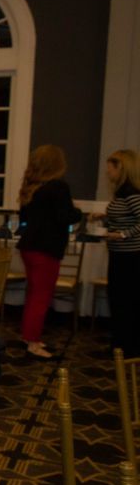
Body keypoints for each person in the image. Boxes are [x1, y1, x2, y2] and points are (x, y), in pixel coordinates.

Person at [16, 145, 82, 359]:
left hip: (29, 247)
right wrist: (78, 212)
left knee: (34, 294)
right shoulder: (58, 187)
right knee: (41, 296)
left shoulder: (33, 188)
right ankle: (33, 343)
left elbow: (25, 217)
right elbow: (66, 216)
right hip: (46, 248)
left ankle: (28, 336)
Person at [99, 149, 140, 356]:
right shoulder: (122, 193)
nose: (108, 173)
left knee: (125, 301)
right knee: (118, 299)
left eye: (110, 169)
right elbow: (122, 218)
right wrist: (103, 218)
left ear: (121, 168)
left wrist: (123, 235)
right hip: (119, 255)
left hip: (130, 257)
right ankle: (120, 345)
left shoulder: (132, 193)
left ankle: (126, 347)